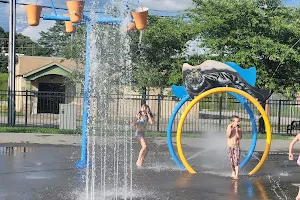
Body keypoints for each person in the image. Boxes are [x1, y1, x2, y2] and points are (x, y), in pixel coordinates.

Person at [226, 115, 242, 179]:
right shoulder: (229, 127)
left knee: (236, 161)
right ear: (232, 122)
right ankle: (233, 171)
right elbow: (228, 136)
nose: (238, 123)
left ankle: (237, 175)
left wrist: (237, 131)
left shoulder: (239, 128)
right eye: (237, 121)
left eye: (239, 121)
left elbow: (240, 137)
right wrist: (232, 129)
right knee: (231, 161)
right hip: (230, 147)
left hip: (236, 147)